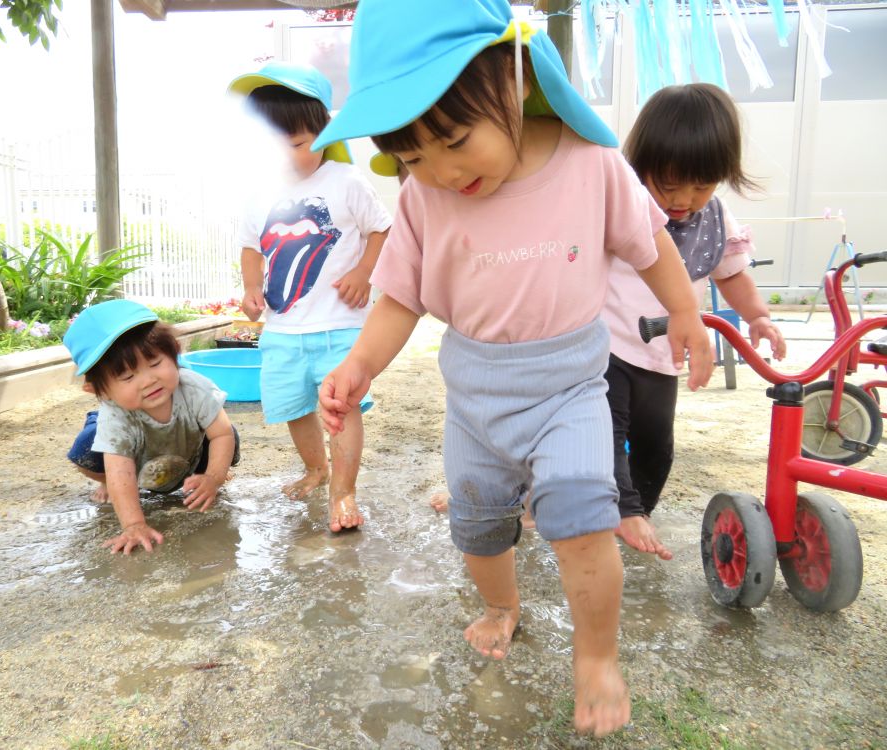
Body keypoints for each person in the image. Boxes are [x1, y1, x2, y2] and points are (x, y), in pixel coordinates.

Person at [314, 0, 714, 737]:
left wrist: (685, 312)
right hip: (474, 398)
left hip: (568, 388)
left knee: (583, 516)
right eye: (411, 157)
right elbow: (399, 296)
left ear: (512, 75)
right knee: (479, 528)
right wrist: (359, 364)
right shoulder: (425, 198)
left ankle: (596, 656)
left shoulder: (590, 164)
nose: (438, 169)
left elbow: (649, 244)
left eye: (454, 139)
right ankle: (502, 605)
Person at [603, 84, 787, 561]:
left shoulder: (716, 219)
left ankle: (636, 513)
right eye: (668, 184)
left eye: (702, 185)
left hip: (663, 356)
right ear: (639, 166)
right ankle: (620, 509)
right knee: (604, 431)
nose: (684, 198)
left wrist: (759, 317)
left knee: (657, 448)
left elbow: (733, 276)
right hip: (606, 347)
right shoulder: (619, 203)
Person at [228, 62, 392, 532]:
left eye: (297, 144)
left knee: (342, 409)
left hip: (339, 326)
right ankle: (316, 469)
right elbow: (250, 246)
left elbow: (382, 228)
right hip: (282, 330)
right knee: (293, 408)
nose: (285, 156)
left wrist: (364, 271)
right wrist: (252, 286)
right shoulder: (258, 192)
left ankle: (343, 491)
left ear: (321, 135)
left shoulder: (344, 180)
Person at [65, 299, 240, 554]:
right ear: (100, 391)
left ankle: (205, 476)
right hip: (135, 455)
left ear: (174, 353)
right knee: (87, 448)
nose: (149, 380)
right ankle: (110, 486)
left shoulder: (194, 388)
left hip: (187, 449)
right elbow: (120, 471)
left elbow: (221, 434)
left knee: (228, 433)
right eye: (127, 376)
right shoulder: (116, 415)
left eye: (156, 363)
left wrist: (214, 477)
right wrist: (134, 524)